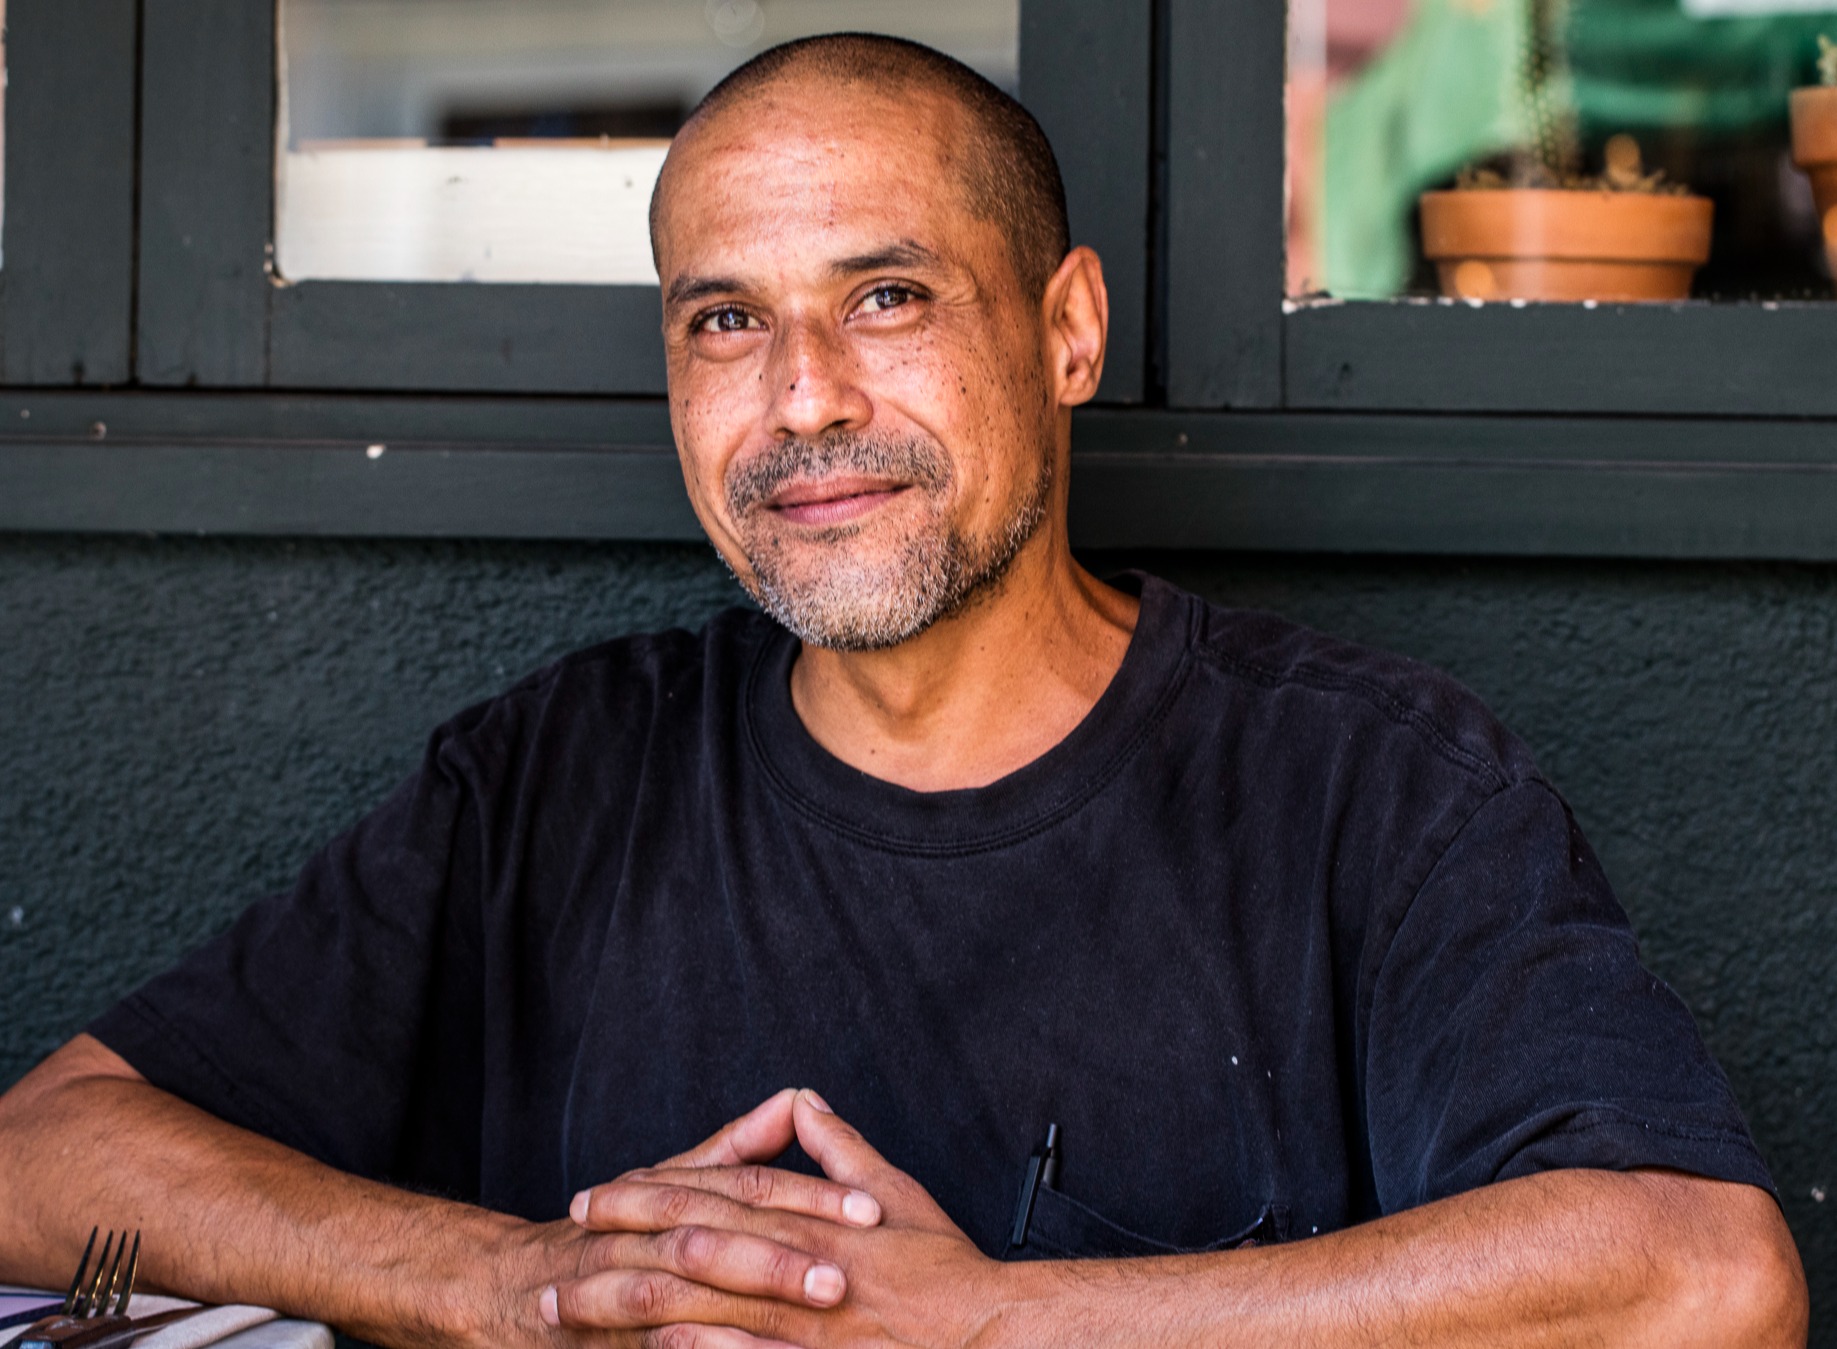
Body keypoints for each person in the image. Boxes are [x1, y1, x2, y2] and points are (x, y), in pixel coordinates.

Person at [0, 32, 1808, 1349]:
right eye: (724, 319)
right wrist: (508, 1279)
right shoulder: (564, 775)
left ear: (1066, 330)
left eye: (883, 298)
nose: (797, 398)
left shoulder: (1364, 786)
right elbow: (44, 1153)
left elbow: (1702, 1276)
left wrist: (989, 1327)